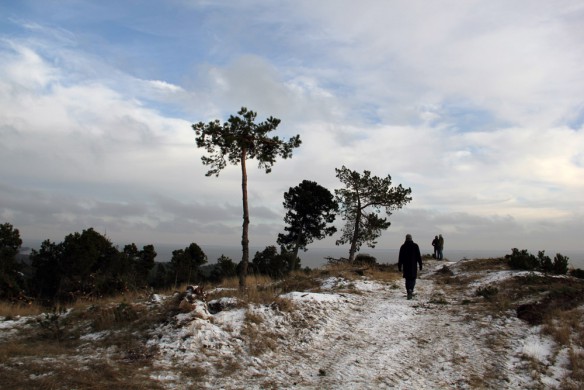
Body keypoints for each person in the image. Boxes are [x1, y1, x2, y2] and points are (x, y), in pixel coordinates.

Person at [398, 234, 423, 300]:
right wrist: (420, 264)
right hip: (413, 266)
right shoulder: (415, 246)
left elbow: (400, 257)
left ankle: (408, 290)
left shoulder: (403, 246)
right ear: (411, 238)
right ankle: (411, 289)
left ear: (406, 239)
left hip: (406, 266)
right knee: (413, 278)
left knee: (407, 279)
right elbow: (418, 256)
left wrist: (399, 266)